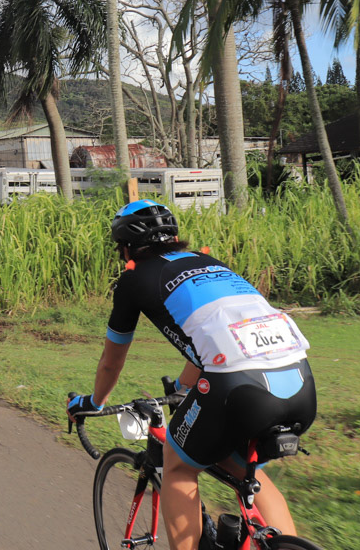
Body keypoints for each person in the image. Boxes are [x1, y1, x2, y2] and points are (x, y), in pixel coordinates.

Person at [67, 199, 315, 550]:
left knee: (177, 463)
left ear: (125, 247)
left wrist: (93, 402)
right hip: (300, 383)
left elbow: (111, 361)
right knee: (248, 471)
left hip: (238, 389)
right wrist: (184, 389)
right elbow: (210, 343)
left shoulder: (134, 277)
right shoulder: (210, 264)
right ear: (174, 237)